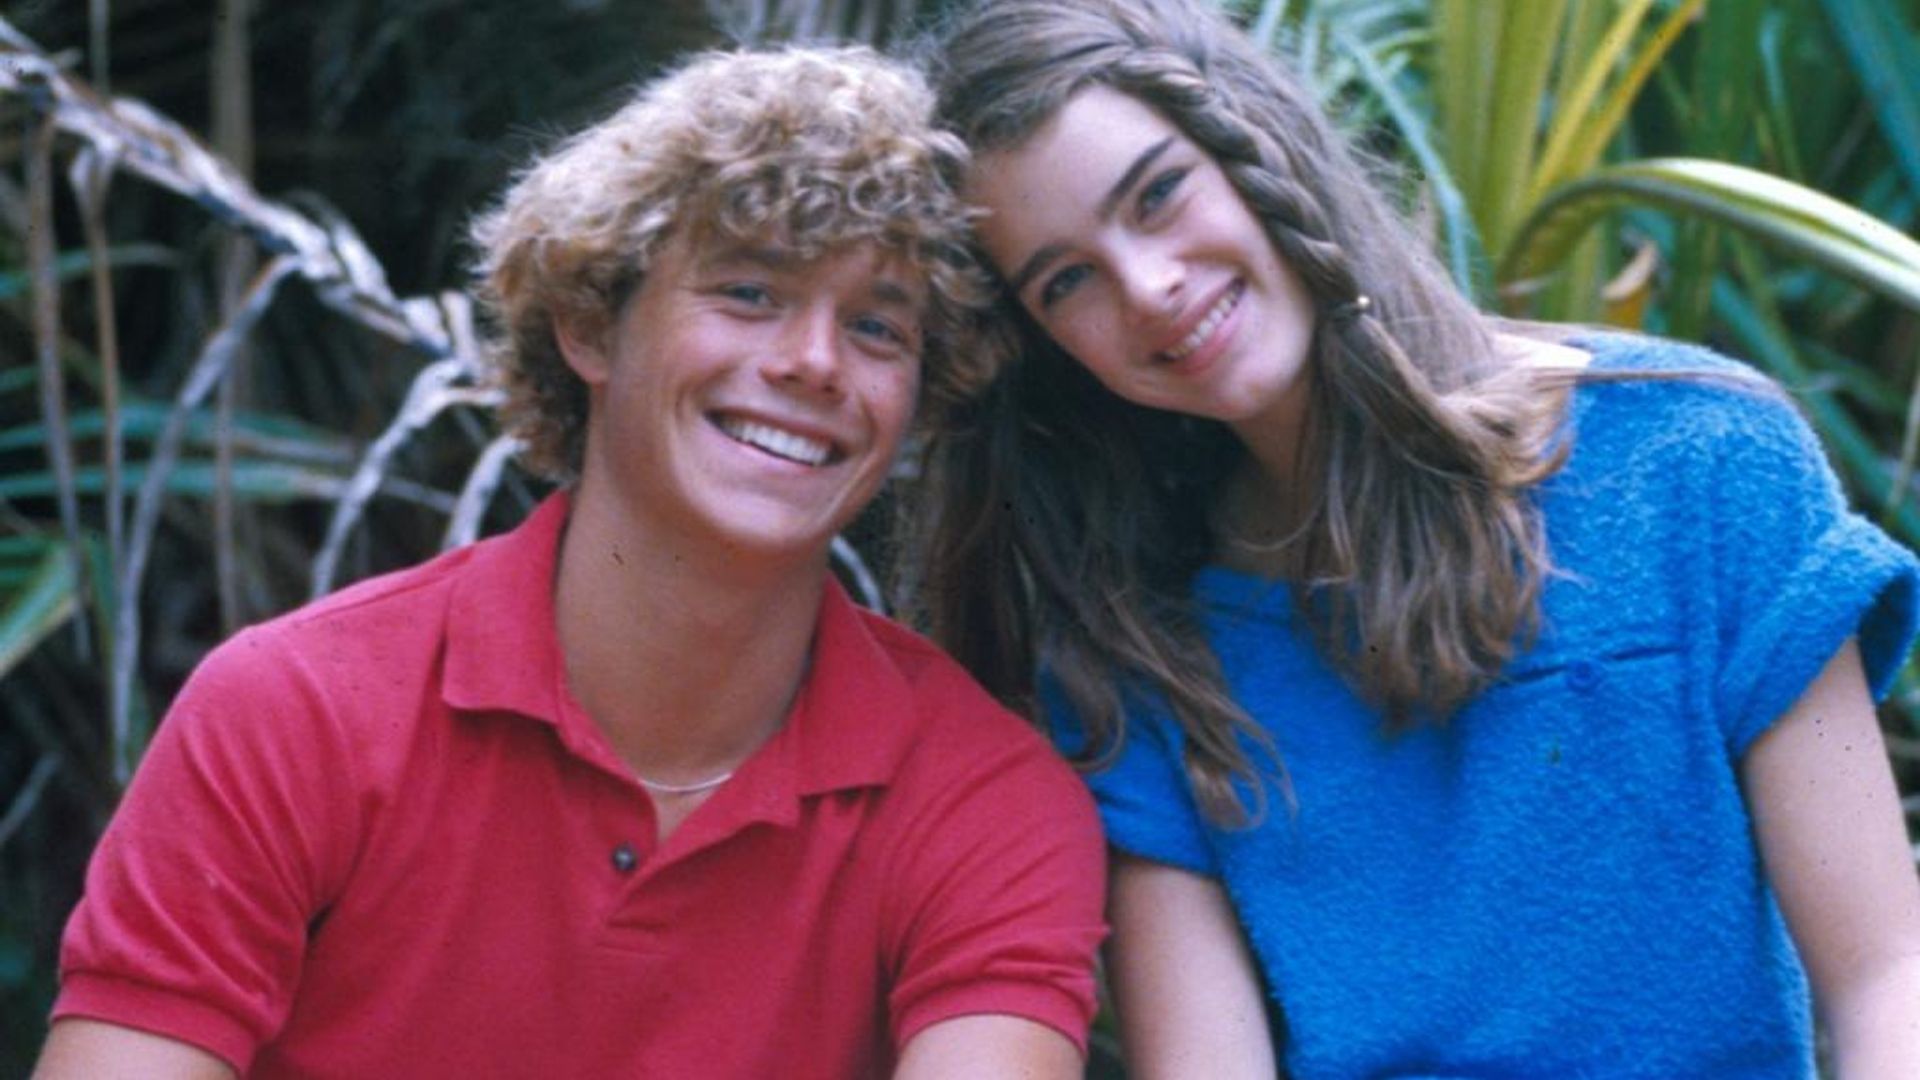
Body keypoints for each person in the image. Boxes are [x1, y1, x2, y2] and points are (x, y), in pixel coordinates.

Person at [36, 45, 1106, 1079]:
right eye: (749, 292)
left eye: (879, 327)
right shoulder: (292, 710)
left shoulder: (988, 802)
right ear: (592, 327)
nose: (815, 362)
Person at [905, 0, 1920, 1075]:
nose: (1149, 289)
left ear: (1257, 145)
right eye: (1068, 281)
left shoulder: (1702, 457)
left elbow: (1885, 975)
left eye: (1159, 195)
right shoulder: (1143, 647)